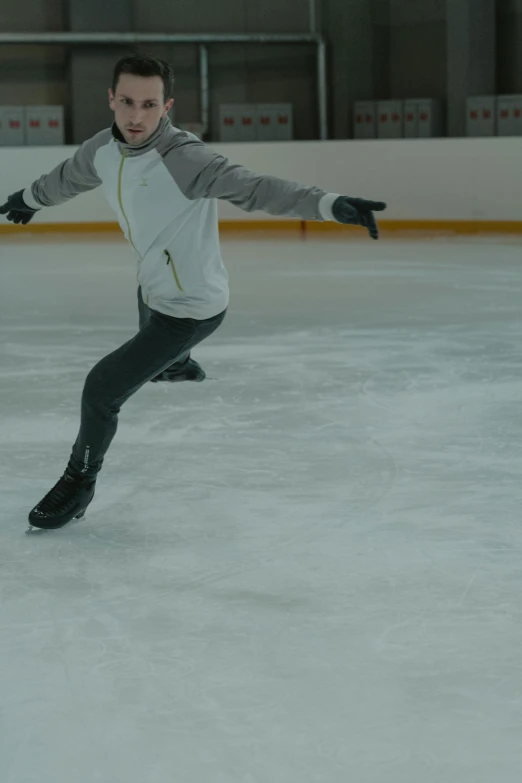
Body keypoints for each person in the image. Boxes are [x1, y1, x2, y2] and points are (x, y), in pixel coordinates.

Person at [0, 55, 387, 530]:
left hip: (191, 308)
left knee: (101, 389)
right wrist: (30, 199)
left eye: (149, 104)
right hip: (153, 285)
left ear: (167, 105)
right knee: (150, 317)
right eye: (126, 102)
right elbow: (68, 177)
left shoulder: (185, 158)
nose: (136, 116)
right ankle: (178, 364)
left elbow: (256, 188)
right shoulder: (103, 148)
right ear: (111, 99)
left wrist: (330, 205)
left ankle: (79, 482)